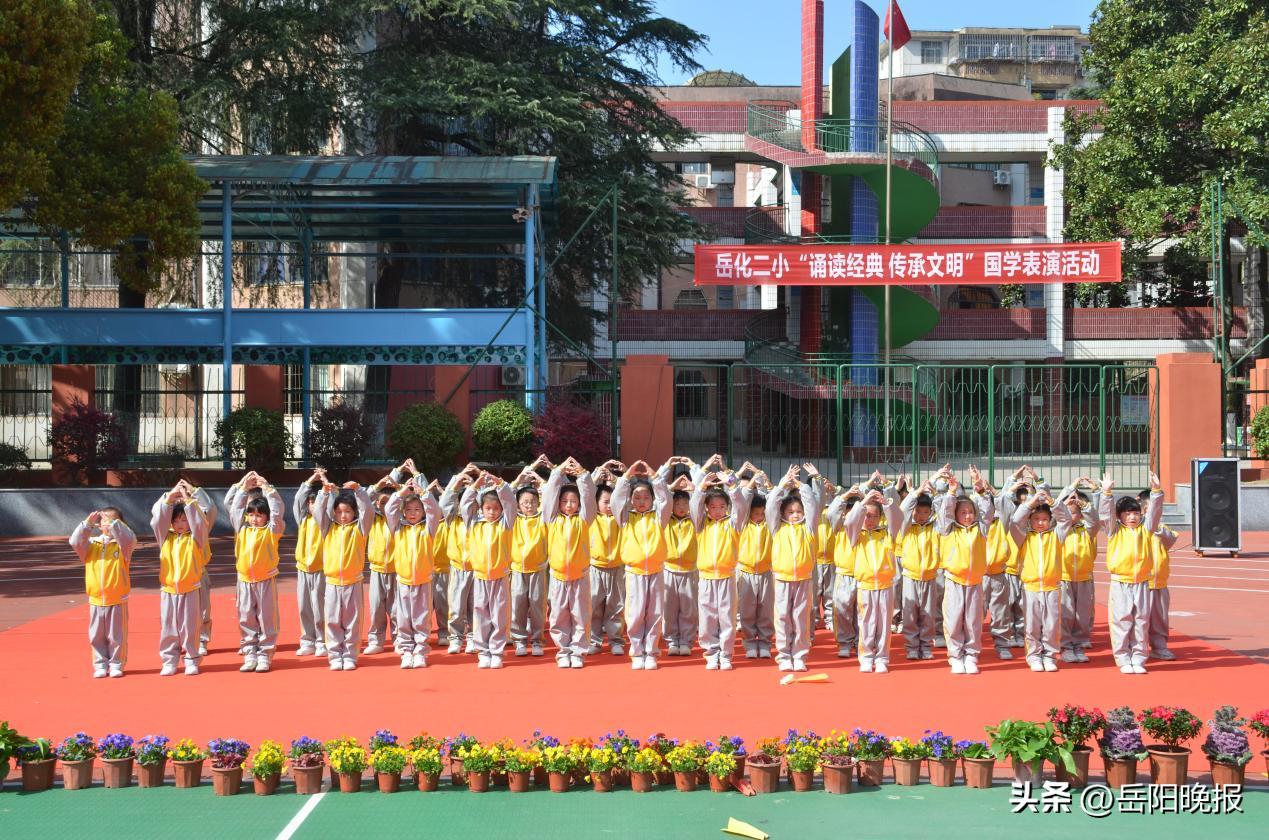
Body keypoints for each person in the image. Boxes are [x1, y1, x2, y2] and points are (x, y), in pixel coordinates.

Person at [1100, 471, 1163, 674]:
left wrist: (1156, 491)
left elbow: (1155, 513)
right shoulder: (1114, 531)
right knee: (1121, 620)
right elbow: (1105, 515)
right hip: (1121, 582)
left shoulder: (1147, 530)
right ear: (1119, 517)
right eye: (1127, 514)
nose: (1132, 517)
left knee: (1141, 621)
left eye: (1135, 513)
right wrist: (1107, 493)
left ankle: (1138, 657)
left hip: (1142, 582)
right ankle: (1123, 657)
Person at [765, 464, 826, 672]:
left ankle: (799, 655)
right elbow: (771, 505)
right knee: (782, 617)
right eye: (790, 512)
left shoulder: (809, 527)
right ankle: (784, 655)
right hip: (782, 578)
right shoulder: (776, 527)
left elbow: (811, 505)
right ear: (783, 513)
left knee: (800, 618)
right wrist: (783, 484)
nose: (795, 514)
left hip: (803, 578)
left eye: (798, 511)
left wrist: (801, 486)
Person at [612, 460, 671, 670]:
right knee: (635, 613)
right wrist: (626, 477)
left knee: (654, 613)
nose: (642, 501)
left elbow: (666, 499)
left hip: (655, 570)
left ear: (652, 500)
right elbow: (616, 500)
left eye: (646, 497)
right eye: (637, 497)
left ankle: (651, 652)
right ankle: (637, 651)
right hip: (635, 572)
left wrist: (655, 477)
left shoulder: (659, 518)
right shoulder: (626, 518)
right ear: (631, 500)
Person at [938, 467, 994, 675]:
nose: (968, 516)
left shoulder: (981, 528)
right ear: (955, 515)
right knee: (953, 619)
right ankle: (955, 655)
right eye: (963, 513)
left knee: (972, 620)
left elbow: (987, 512)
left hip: (975, 582)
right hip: (954, 580)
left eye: (971, 512)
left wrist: (979, 490)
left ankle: (971, 655)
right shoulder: (948, 529)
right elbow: (944, 512)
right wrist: (952, 492)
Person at [542, 457, 596, 668]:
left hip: (580, 575)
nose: (569, 505)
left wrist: (582, 475)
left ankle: (578, 651)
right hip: (558, 576)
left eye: (573, 501)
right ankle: (563, 650)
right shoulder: (551, 519)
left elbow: (590, 497)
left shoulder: (584, 519)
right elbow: (548, 497)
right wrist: (557, 473)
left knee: (581, 615)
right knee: (559, 615)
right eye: (564, 502)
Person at [1009, 487, 1071, 672]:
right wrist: (1030, 503)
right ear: (1030, 520)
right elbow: (1014, 522)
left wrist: (1052, 502)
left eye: (1044, 519)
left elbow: (1066, 519)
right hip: (1031, 587)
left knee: (1051, 625)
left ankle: (1050, 655)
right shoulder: (1023, 536)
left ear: (1050, 520)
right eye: (1036, 519)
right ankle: (1034, 656)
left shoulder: (1056, 536)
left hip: (1052, 587)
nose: (1041, 523)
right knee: (1032, 625)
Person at [230, 472, 286, 673]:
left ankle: (265, 654)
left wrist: (268, 490)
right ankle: (250, 653)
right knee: (246, 617)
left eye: (259, 515)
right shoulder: (242, 529)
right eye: (251, 515)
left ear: (266, 517)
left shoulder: (272, 531)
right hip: (244, 581)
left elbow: (278, 512)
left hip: (265, 580)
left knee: (266, 618)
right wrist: (244, 489)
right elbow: (235, 509)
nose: (254, 519)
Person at [842, 480, 900, 673]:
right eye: (866, 516)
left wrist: (887, 504)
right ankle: (866, 656)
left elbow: (898, 519)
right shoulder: (857, 535)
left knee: (884, 623)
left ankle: (882, 657)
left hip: (885, 585)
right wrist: (863, 501)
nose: (870, 519)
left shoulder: (887, 533)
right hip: (865, 586)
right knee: (866, 622)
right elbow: (850, 522)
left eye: (874, 516)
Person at [692, 468, 747, 670]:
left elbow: (740, 507)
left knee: (726, 617)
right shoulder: (701, 524)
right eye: (713, 507)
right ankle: (711, 653)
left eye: (722, 506)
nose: (717, 510)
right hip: (706, 577)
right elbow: (694, 507)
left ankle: (726, 654)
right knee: (707, 617)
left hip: (726, 577)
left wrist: (732, 484)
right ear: (707, 509)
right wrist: (701, 488)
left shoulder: (732, 524)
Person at [70, 507, 136, 678]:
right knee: (96, 635)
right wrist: (87, 524)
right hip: (96, 598)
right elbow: (75, 541)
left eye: (114, 520)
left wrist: (114, 523)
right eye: (105, 520)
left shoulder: (123, 546)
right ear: (99, 525)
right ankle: (100, 664)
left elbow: (129, 538)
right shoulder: (91, 545)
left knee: (116, 635)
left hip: (117, 598)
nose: (108, 523)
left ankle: (116, 663)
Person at [151, 486, 210, 676]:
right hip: (168, 590)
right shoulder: (164, 537)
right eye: (176, 520)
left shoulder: (196, 538)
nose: (180, 524)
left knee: (190, 626)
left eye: (184, 520)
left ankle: (192, 659)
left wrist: (189, 501)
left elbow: (200, 522)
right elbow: (157, 520)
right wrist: (169, 499)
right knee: (169, 627)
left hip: (190, 589)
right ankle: (169, 660)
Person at [385, 476, 443, 669]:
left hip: (423, 580)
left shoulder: (428, 529)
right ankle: (406, 650)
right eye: (408, 510)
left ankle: (420, 651)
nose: (413, 513)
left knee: (421, 617)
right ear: (403, 512)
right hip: (403, 580)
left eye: (417, 510)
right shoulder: (398, 529)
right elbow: (389, 510)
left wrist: (424, 494)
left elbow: (435, 511)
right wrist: (401, 493)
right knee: (403, 618)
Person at [461, 470, 516, 669]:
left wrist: (501, 484)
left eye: (495, 508)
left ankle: (497, 652)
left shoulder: (506, 524)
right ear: (481, 509)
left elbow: (511, 503)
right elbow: (465, 506)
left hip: (500, 577)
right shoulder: (475, 525)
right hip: (480, 577)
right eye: (488, 508)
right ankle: (483, 651)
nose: (492, 512)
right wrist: (475, 487)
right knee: (481, 614)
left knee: (499, 615)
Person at [318, 480, 375, 671]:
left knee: (352, 620)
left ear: (354, 513)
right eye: (340, 512)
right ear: (334, 513)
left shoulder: (360, 529)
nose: (343, 516)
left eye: (348, 512)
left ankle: (350, 655)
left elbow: (368, 511)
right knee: (333, 619)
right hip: (333, 582)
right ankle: (335, 655)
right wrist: (324, 494)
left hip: (353, 582)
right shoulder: (328, 528)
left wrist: (359, 491)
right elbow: (319, 512)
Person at [366, 463, 413, 657]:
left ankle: (398, 640)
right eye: (380, 502)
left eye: (388, 503)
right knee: (376, 607)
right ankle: (376, 640)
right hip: (377, 570)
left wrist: (396, 487)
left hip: (396, 571)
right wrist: (378, 487)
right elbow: (363, 499)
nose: (383, 506)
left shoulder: (401, 522)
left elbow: (407, 498)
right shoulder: (372, 519)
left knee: (397, 609)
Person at [510, 456, 551, 658]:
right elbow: (506, 494)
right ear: (517, 504)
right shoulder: (512, 519)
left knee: (537, 605)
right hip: (517, 568)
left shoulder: (543, 517)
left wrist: (538, 477)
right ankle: (519, 640)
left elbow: (549, 495)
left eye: (533, 501)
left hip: (538, 569)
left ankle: (536, 640)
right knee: (518, 604)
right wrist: (520, 480)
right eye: (525, 502)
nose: (529, 505)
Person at [896, 474, 940, 661]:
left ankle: (926, 645)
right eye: (918, 512)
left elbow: (945, 511)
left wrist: (935, 491)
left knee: (928, 614)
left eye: (925, 512)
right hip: (910, 576)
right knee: (910, 613)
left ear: (930, 512)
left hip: (930, 577)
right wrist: (915, 493)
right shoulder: (906, 527)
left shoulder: (935, 527)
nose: (921, 516)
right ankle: (912, 646)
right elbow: (902, 510)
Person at [661, 456, 702, 657]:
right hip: (668, 569)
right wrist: (670, 486)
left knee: (688, 608)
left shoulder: (694, 520)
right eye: (677, 503)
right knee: (669, 608)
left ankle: (686, 640)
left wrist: (693, 469)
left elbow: (700, 496)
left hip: (689, 570)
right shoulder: (665, 520)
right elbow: (660, 494)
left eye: (685, 503)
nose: (681, 507)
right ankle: (671, 640)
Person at [1056, 482, 1100, 663]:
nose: (1071, 516)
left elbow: (1095, 521)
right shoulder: (1058, 530)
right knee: (1066, 614)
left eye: (1074, 513)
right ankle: (1065, 645)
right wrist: (1066, 500)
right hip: (1063, 578)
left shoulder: (1087, 531)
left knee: (1083, 614)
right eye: (1068, 512)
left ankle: (1080, 644)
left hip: (1084, 578)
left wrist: (1084, 505)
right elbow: (1055, 509)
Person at [736, 469, 775, 659]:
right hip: (746, 573)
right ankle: (750, 642)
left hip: (766, 573)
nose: (759, 516)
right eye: (755, 513)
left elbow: (775, 504)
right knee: (747, 610)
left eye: (762, 513)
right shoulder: (743, 524)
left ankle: (765, 642)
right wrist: (751, 483)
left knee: (765, 610)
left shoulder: (770, 524)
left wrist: (765, 484)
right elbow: (742, 502)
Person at [588, 461, 625, 656]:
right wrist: (598, 472)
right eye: (605, 502)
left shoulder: (621, 517)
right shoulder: (592, 517)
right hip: (595, 567)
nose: (609, 505)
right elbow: (587, 492)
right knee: (594, 606)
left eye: (612, 502)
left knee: (615, 606)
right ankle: (594, 640)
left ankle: (616, 640)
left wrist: (616, 480)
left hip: (617, 567)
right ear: (596, 503)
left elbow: (623, 495)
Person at [439, 467, 477, 654]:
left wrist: (475, 487)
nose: (466, 507)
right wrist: (457, 481)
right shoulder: (452, 520)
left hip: (476, 570)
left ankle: (472, 637)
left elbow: (487, 500)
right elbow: (445, 500)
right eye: (463, 503)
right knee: (456, 606)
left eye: (470, 504)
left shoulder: (479, 521)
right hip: (457, 569)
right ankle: (455, 638)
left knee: (475, 606)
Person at [294, 470, 329, 657]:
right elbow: (298, 501)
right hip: (303, 569)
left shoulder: (326, 522)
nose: (312, 506)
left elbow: (329, 501)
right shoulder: (303, 520)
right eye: (310, 502)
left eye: (316, 502)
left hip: (320, 569)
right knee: (304, 606)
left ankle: (322, 640)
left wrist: (324, 483)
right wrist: (309, 481)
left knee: (320, 606)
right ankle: (307, 639)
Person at [1141, 488, 1179, 661]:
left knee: (1160, 618)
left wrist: (1158, 529)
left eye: (1158, 508)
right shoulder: (1138, 529)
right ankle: (1138, 649)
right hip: (1142, 583)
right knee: (1140, 619)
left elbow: (1170, 540)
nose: (1155, 511)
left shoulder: (1162, 529)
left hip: (1160, 583)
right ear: (1143, 510)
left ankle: (1159, 646)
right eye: (1151, 508)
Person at [824, 484, 862, 658]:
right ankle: (845, 642)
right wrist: (845, 495)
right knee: (843, 609)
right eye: (848, 512)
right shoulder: (839, 527)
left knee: (861, 612)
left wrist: (863, 497)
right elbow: (832, 512)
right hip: (844, 575)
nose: (851, 516)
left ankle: (860, 641)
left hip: (863, 576)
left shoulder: (868, 528)